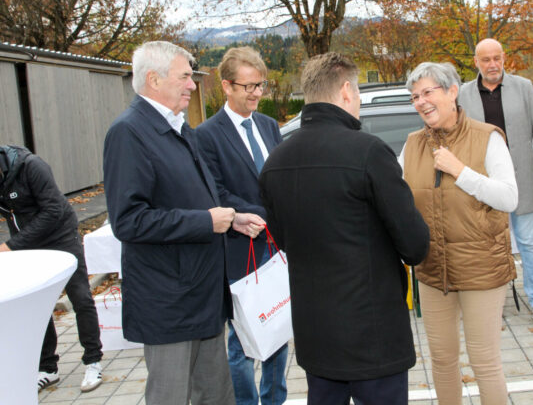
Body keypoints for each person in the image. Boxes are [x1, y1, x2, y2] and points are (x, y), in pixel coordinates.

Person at [259, 52, 430, 405]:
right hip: (373, 334)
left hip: (315, 334)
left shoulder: (276, 161)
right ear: (347, 91)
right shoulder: (368, 152)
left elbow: (283, 239)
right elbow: (414, 245)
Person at [103, 41, 263, 405]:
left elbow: (201, 197)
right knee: (170, 396)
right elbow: (129, 221)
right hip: (169, 305)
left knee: (216, 396)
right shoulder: (129, 133)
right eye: (186, 77)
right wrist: (206, 222)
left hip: (203, 297)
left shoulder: (180, 128)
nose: (193, 85)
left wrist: (232, 219)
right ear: (154, 79)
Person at [401, 62, 518, 405]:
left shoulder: (487, 137)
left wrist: (461, 171)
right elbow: (397, 199)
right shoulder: (412, 145)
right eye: (415, 97)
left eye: (428, 92)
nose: (421, 102)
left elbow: (509, 197)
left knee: (484, 361)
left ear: (452, 91)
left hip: (482, 268)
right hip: (433, 269)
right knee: (441, 360)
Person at [196, 47, 288, 405]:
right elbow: (215, 192)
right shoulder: (206, 135)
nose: (255, 93)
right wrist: (259, 215)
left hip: (275, 248)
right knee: (243, 342)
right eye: (247, 86)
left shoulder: (267, 125)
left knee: (278, 328)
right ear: (226, 86)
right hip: (239, 249)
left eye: (260, 86)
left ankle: (274, 399)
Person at [458, 38, 533, 332]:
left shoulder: (523, 87)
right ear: (476, 62)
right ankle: (490, 305)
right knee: (486, 246)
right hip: (484, 185)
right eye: (486, 59)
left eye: (497, 58)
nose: (493, 65)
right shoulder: (464, 94)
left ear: (504, 59)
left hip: (520, 180)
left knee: (528, 242)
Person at [0, 146, 104, 393]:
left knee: (80, 296)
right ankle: (48, 368)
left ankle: (93, 360)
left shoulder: (31, 166)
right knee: (36, 302)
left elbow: (53, 210)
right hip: (27, 242)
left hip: (60, 234)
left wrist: (11, 245)